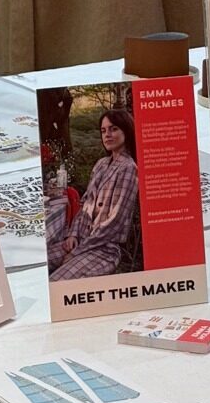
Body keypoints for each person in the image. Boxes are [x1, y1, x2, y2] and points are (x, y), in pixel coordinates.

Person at [49, 108, 142, 280]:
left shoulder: (129, 169)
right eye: (103, 130)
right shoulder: (101, 164)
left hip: (103, 249)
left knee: (56, 281)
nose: (107, 135)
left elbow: (115, 222)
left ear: (126, 131)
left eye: (114, 129)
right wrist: (73, 234)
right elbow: (84, 203)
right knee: (40, 262)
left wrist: (77, 252)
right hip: (81, 240)